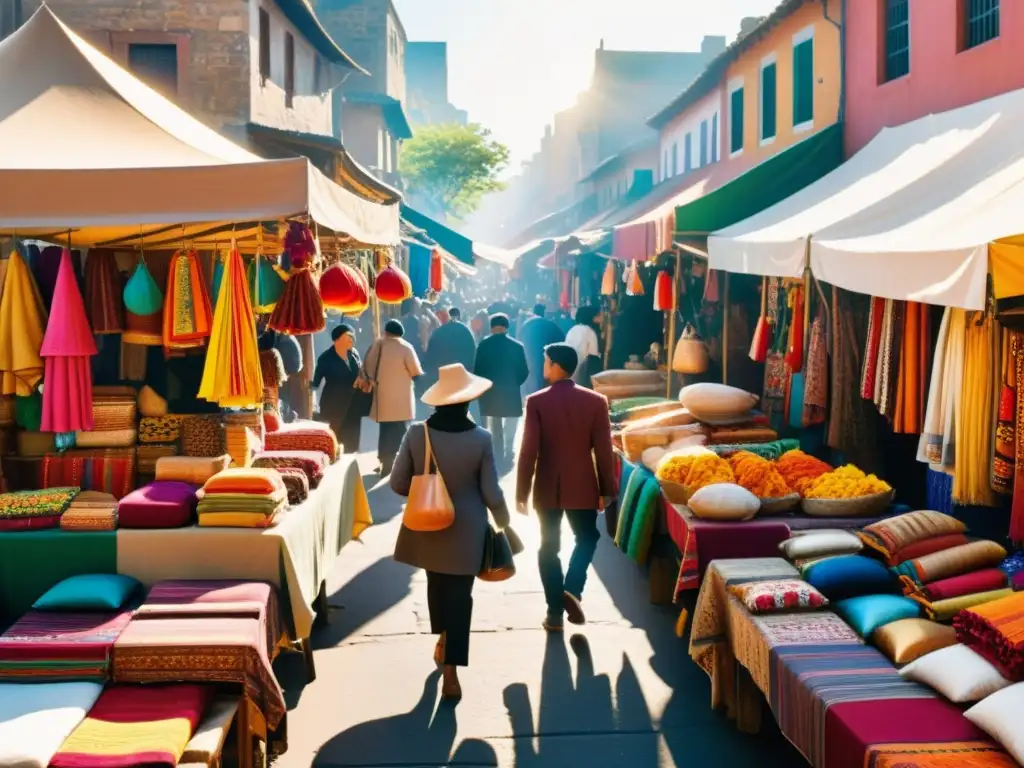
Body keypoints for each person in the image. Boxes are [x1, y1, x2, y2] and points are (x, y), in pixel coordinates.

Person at [391, 363, 510, 700]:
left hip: (427, 526)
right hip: (468, 529)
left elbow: (399, 482)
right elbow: (491, 491)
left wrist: (425, 490)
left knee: (436, 585)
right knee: (461, 596)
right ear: (468, 401)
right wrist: (503, 520)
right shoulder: (482, 439)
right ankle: (451, 673)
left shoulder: (417, 434)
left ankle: (442, 638)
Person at [516, 343, 617, 632]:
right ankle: (572, 586)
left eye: (546, 361)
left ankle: (554, 613)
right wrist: (605, 489)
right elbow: (604, 449)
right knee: (587, 536)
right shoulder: (596, 401)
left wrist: (522, 492)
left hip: (547, 486)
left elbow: (529, 451)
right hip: (583, 484)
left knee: (548, 547)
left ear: (556, 365)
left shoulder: (536, 401)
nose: (543, 366)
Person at [365, 319, 424, 475]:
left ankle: (384, 460)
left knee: (385, 430)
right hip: (401, 400)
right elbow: (416, 372)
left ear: (386, 332)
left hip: (382, 398)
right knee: (400, 431)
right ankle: (394, 463)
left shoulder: (377, 345)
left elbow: (367, 368)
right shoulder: (406, 347)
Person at [473, 314, 529, 465]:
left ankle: (497, 451)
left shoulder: (483, 345)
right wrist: (515, 383)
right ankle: (509, 449)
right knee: (511, 420)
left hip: (491, 390)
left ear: (491, 327)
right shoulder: (517, 346)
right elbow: (524, 371)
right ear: (507, 326)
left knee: (495, 421)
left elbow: (477, 370)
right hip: (511, 389)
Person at [311, 323, 368, 454]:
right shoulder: (325, 358)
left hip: (353, 403)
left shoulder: (354, 354)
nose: (351, 340)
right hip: (334, 403)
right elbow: (316, 383)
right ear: (337, 339)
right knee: (336, 439)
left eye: (352, 337)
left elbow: (361, 372)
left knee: (352, 440)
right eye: (347, 337)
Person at [518, 304, 565, 396]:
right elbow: (562, 343)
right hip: (546, 366)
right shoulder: (550, 325)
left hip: (528, 364)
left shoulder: (524, 326)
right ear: (544, 312)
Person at [565, 306, 603, 388]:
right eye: (598, 316)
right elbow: (594, 357)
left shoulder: (572, 330)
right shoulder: (590, 332)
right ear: (591, 317)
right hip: (581, 377)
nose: (601, 319)